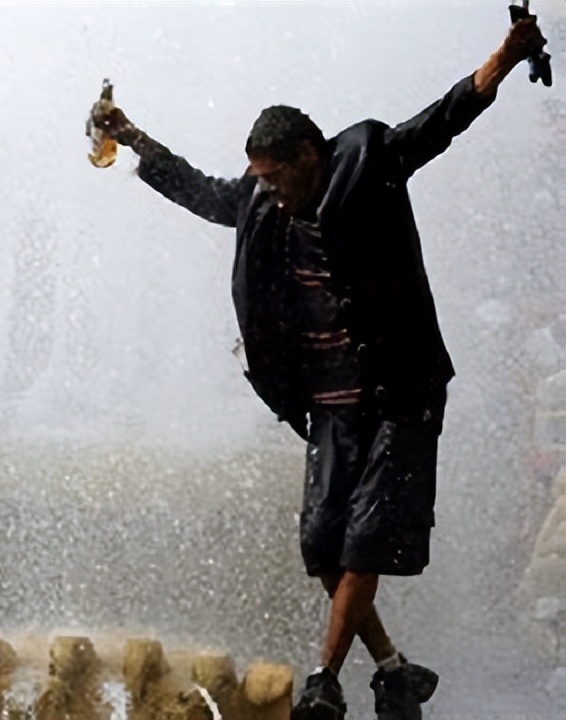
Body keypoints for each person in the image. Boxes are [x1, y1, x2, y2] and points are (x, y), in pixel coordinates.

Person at [88, 17, 548, 720]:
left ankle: (323, 682)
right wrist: (131, 136)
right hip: (329, 403)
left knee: (364, 541)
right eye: (260, 181)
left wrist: (508, 56)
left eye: (278, 177)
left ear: (310, 154)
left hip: (402, 390)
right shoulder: (261, 202)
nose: (269, 193)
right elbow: (196, 190)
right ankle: (393, 670)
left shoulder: (370, 159)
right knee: (321, 546)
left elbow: (445, 117)